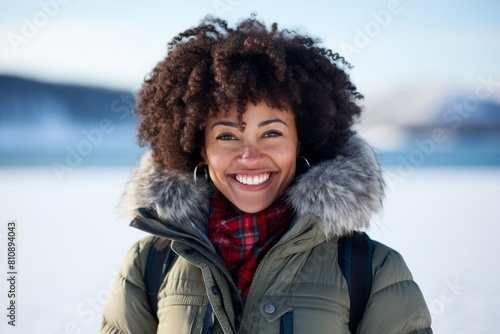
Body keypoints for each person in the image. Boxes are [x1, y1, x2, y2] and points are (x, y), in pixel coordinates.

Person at [100, 15, 432, 334]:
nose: (250, 156)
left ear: (302, 140)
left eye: (271, 133)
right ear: (199, 148)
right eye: (227, 136)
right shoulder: (149, 266)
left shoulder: (371, 271)